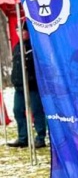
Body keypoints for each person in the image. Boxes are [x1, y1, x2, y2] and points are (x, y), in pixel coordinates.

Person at [8, 21, 46, 149]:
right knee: (17, 110)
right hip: (19, 86)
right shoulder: (16, 47)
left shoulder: (34, 46)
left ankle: (40, 138)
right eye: (18, 30)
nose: (20, 33)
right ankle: (23, 137)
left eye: (23, 30)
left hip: (33, 85)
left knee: (36, 111)